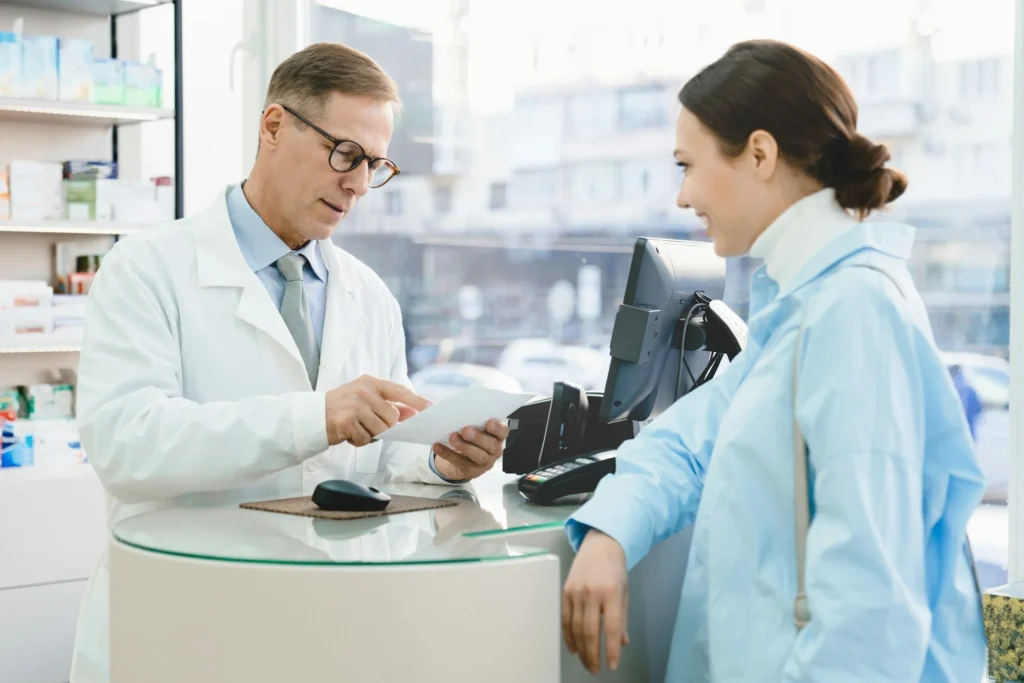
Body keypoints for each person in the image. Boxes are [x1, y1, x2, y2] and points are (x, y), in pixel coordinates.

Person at [70, 43, 509, 683]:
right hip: (184, 623)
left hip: (323, 626)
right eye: (346, 155)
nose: (359, 183)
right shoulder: (145, 269)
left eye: (376, 165)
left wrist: (440, 459)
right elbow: (125, 446)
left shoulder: (369, 295)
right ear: (273, 127)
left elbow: (383, 460)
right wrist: (314, 418)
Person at [561, 39, 987, 681]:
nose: (682, 197)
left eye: (688, 165)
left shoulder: (853, 312)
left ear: (759, 153)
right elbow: (691, 443)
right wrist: (610, 532)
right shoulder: (802, 302)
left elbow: (869, 618)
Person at [950, 365, 982, 440]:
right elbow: (978, 409)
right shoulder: (969, 388)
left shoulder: (950, 388)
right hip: (969, 432)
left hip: (954, 433)